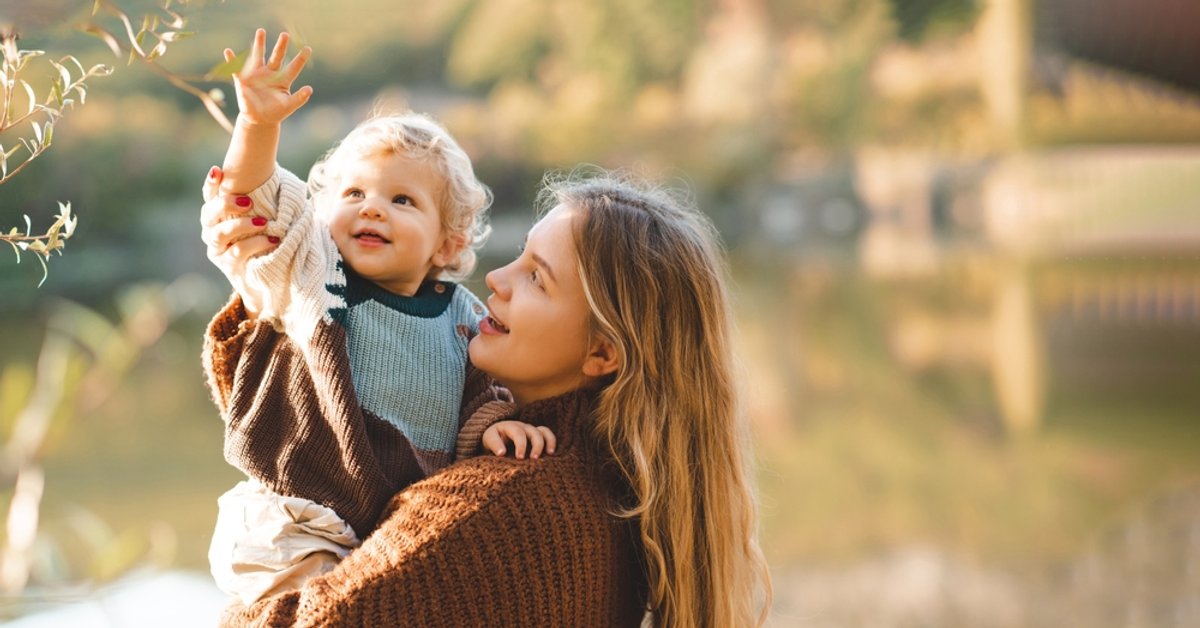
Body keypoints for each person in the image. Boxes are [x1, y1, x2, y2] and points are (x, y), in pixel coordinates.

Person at [201, 163, 773, 626]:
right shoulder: (606, 486)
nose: (497, 279)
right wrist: (273, 298)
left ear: (603, 352)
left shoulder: (494, 509)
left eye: (536, 279)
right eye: (519, 256)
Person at [203, 29, 550, 605]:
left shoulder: (461, 315)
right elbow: (255, 199)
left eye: (402, 200)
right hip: (294, 519)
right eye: (354, 193)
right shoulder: (312, 274)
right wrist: (258, 126)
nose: (371, 207)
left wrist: (492, 426)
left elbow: (478, 393)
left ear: (448, 242)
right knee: (325, 612)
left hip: (379, 527)